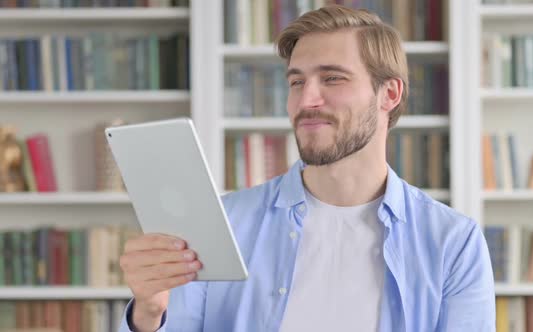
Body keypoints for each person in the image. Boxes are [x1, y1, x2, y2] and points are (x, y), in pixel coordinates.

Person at [118, 5, 495, 332]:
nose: (307, 99)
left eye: (333, 78)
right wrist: (148, 315)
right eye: (297, 81)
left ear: (389, 94)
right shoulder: (221, 226)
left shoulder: (452, 243)